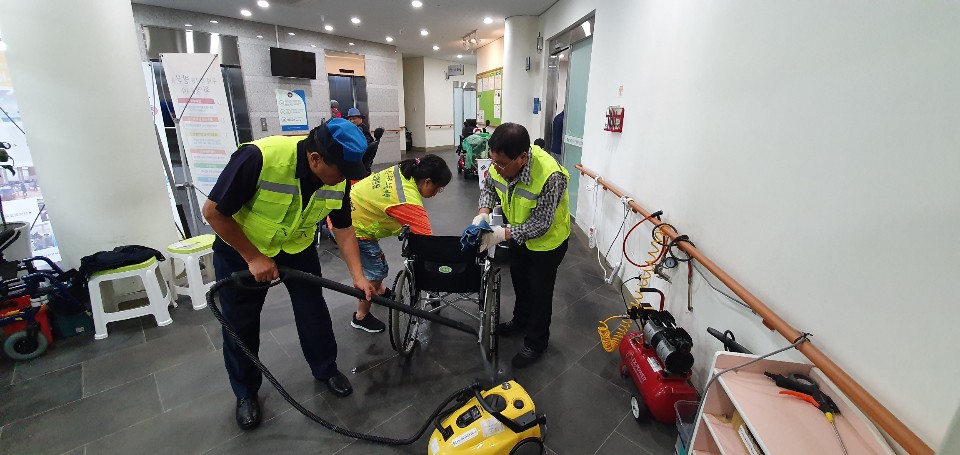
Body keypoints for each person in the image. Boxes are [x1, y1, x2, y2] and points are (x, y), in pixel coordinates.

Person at [202, 118, 377, 431]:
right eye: (341, 171)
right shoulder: (259, 158)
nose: (344, 179)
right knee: (241, 323)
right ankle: (245, 393)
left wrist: (358, 276)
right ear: (315, 159)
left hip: (296, 246)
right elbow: (213, 212)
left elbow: (344, 227)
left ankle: (326, 369)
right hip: (243, 247)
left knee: (313, 310)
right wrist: (254, 257)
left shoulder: (337, 179)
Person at [474, 122, 570, 369]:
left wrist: (502, 233)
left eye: (501, 163)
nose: (495, 167)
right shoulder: (499, 163)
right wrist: (483, 213)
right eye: (493, 160)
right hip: (518, 237)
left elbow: (541, 224)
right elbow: (489, 186)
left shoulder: (550, 176)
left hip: (547, 244)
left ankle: (536, 342)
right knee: (520, 280)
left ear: (523, 158)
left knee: (540, 292)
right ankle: (520, 322)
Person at [349, 155, 451, 332]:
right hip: (353, 227)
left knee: (377, 264)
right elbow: (428, 242)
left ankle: (380, 291)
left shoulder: (405, 171)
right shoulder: (407, 200)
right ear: (427, 181)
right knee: (376, 271)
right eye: (438, 188)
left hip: (354, 206)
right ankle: (361, 316)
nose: (437, 193)